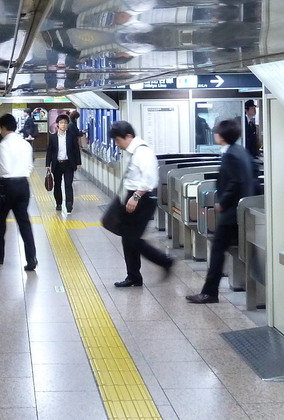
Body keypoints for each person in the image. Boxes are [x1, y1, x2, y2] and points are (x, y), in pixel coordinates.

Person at [187, 117, 255, 304]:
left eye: (217, 132)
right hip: (240, 212)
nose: (215, 135)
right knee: (225, 251)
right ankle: (211, 291)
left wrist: (222, 202)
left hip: (231, 214)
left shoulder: (231, 154)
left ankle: (209, 292)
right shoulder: (240, 150)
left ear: (222, 136)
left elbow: (234, 181)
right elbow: (253, 172)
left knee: (217, 251)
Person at [109, 120, 172, 287]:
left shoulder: (143, 152)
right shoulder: (134, 151)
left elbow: (149, 179)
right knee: (127, 238)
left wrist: (136, 197)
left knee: (132, 239)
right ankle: (133, 276)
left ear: (128, 136)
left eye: (118, 140)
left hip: (143, 199)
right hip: (134, 197)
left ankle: (164, 261)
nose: (117, 144)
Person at [0, 113, 39, 271]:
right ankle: (31, 258)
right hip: (23, 185)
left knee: (1, 221)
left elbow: (5, 169)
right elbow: (30, 166)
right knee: (24, 223)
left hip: (7, 186)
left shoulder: (3, 145)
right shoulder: (25, 144)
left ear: (3, 128)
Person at [44, 113, 81, 216]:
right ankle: (59, 203)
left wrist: (78, 162)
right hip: (57, 164)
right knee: (57, 185)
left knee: (68, 184)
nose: (63, 125)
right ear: (57, 124)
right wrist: (48, 164)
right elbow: (49, 151)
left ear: (67, 124)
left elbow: (76, 149)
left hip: (69, 164)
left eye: (65, 123)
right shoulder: (53, 137)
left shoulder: (71, 136)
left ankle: (69, 204)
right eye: (61, 123)